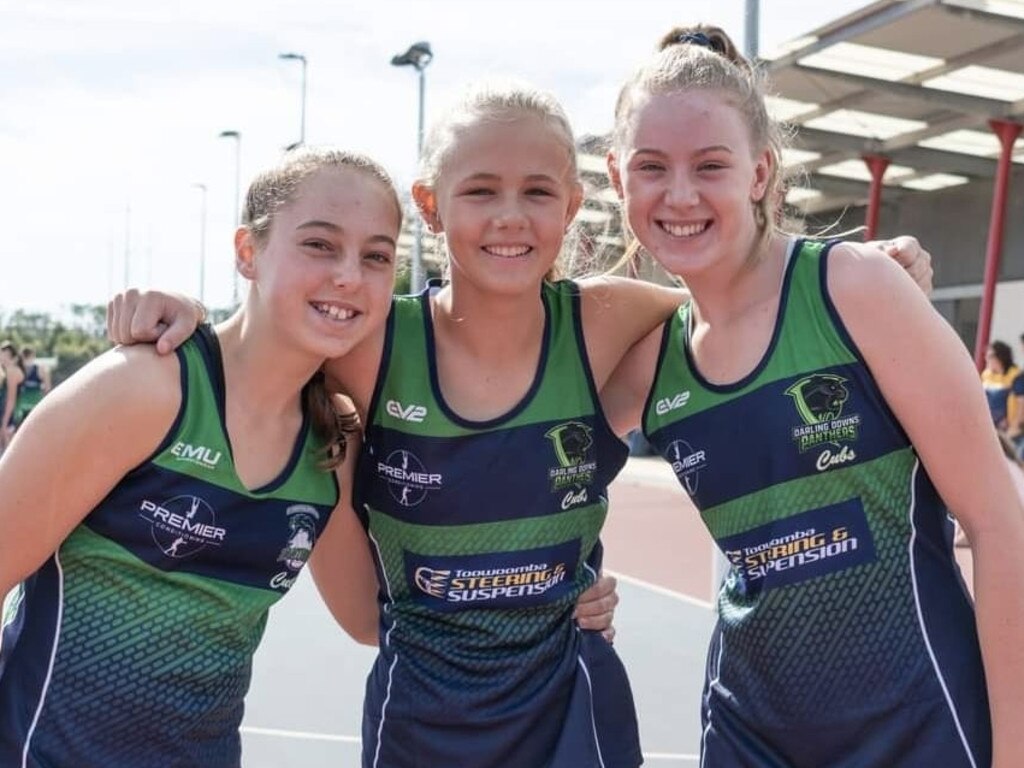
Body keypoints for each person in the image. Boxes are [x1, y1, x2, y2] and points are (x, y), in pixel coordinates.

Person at [107, 89, 932, 768]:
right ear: (430, 203)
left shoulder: (611, 322)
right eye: (480, 190)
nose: (511, 216)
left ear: (573, 204)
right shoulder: (369, 346)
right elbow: (269, 340)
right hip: (420, 724)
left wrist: (866, 271)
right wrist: (184, 316)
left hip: (574, 716)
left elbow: (752, 295)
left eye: (538, 191)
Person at [600, 25, 1024, 767]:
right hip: (747, 733)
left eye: (711, 165)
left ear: (760, 172)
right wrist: (560, 582)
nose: (680, 195)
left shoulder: (853, 289)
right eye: (652, 167)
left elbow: (997, 526)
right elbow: (527, 472)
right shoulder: (650, 361)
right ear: (616, 179)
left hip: (916, 725)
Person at [0, 147, 403, 766]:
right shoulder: (145, 387)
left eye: (376, 255)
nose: (349, 274)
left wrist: (556, 586)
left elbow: (370, 618)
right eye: (320, 244)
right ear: (248, 252)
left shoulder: (331, 440)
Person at [981, 339, 1020, 432]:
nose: (986, 358)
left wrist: (1014, 426)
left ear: (1001, 357)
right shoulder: (986, 374)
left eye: (990, 356)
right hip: (987, 425)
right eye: (986, 355)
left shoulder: (1016, 376)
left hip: (1007, 428)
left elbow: (1021, 404)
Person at [12, 346, 51, 427]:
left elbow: (47, 389)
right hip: (22, 408)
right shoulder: (17, 370)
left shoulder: (40, 369)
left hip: (34, 407)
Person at [0, 343, 24, 450]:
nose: (1, 358)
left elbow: (11, 399)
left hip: (10, 416)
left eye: (4, 355)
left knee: (7, 451)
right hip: (9, 414)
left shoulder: (12, 371)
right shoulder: (8, 371)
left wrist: (4, 424)